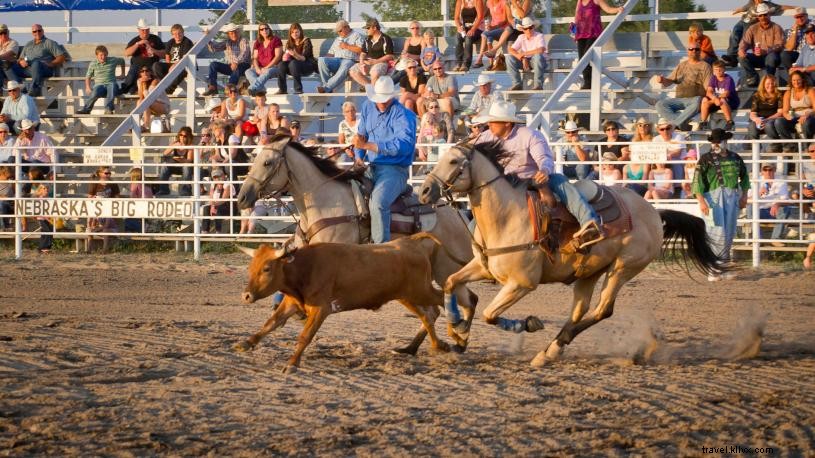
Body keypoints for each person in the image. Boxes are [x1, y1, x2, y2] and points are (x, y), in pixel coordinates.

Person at [473, 101, 605, 248]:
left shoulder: (530, 135)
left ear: (507, 123)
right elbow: (469, 152)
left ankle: (589, 222)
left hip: (531, 180)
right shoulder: (485, 137)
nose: (489, 124)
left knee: (559, 181)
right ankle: (471, 238)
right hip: (503, 185)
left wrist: (544, 170)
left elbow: (544, 159)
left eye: (493, 121)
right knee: (481, 213)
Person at [351, 77, 416, 243]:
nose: (381, 103)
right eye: (378, 99)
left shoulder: (403, 115)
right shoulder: (367, 107)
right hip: (371, 167)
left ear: (391, 98)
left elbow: (404, 146)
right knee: (345, 189)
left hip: (394, 171)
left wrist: (369, 146)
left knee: (378, 203)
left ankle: (381, 250)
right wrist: (359, 157)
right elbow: (361, 136)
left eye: (384, 100)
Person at [692, 129, 749, 279]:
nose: (716, 144)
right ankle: (713, 267)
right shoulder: (705, 159)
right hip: (713, 198)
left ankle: (723, 266)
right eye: (714, 141)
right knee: (715, 232)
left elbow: (744, 178)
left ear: (725, 142)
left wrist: (744, 196)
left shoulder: (736, 158)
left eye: (719, 141)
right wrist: (701, 201)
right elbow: (697, 181)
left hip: (732, 196)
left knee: (729, 232)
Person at [655, 42, 711, 131]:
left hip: (695, 100)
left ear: (700, 51)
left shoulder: (705, 66)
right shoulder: (682, 65)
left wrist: (707, 100)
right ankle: (681, 124)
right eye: (691, 49)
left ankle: (675, 124)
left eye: (697, 49)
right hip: (679, 99)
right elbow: (668, 82)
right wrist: (662, 80)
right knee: (660, 104)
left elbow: (708, 87)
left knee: (697, 101)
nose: (694, 51)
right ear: (687, 51)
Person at [722, 0, 792, 67]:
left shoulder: (768, 5)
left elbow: (781, 7)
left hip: (750, 24)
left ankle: (734, 58)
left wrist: (793, 7)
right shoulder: (751, 3)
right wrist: (737, 11)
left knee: (744, 39)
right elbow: (744, 8)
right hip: (743, 21)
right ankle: (731, 55)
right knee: (734, 35)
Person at [573, 0, 623, 89]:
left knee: (586, 56)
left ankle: (590, 83)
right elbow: (577, 16)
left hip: (593, 33)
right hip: (581, 33)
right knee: (582, 59)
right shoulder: (579, 1)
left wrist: (617, 9)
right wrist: (574, 31)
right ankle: (587, 81)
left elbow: (607, 9)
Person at [11, 24, 69, 97]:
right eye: (35, 31)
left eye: (39, 30)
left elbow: (62, 56)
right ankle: (22, 89)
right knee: (10, 67)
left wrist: (51, 63)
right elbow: (20, 58)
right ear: (32, 33)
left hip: (44, 69)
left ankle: (34, 91)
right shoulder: (29, 44)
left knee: (36, 62)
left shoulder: (49, 43)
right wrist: (21, 61)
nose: (37, 33)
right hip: (29, 69)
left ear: (43, 31)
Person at [737, 2, 784, 89]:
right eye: (761, 15)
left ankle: (769, 80)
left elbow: (780, 45)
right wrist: (741, 50)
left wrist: (767, 51)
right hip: (757, 57)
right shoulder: (752, 28)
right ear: (758, 17)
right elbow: (744, 42)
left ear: (769, 15)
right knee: (741, 57)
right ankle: (753, 77)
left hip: (771, 57)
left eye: (765, 15)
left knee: (771, 57)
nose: (763, 17)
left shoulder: (776, 27)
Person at [748, 162, 791, 246]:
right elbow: (748, 200)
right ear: (761, 171)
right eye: (765, 169)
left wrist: (777, 204)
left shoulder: (780, 182)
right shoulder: (755, 181)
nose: (768, 172)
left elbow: (786, 200)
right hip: (760, 211)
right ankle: (757, 239)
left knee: (785, 208)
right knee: (750, 207)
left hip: (774, 211)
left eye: (770, 170)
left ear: (774, 170)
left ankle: (775, 238)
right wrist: (759, 193)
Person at [317, 20, 364, 94]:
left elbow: (361, 50)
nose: (338, 33)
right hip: (336, 60)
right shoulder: (337, 39)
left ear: (347, 27)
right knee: (321, 60)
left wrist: (347, 46)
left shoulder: (357, 35)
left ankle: (326, 88)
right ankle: (326, 87)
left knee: (345, 65)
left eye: (340, 31)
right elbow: (331, 53)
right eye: (338, 32)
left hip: (350, 59)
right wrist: (324, 59)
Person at [120, 19, 165, 95]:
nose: (145, 32)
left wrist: (153, 50)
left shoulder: (155, 39)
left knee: (155, 69)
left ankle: (132, 91)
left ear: (149, 29)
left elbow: (164, 54)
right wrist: (137, 44)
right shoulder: (135, 40)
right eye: (143, 30)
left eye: (146, 30)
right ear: (139, 30)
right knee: (133, 71)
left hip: (151, 67)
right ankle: (125, 89)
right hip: (137, 68)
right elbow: (127, 53)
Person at [77, 45, 125, 115]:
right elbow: (88, 76)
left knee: (112, 88)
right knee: (94, 93)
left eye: (105, 55)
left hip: (111, 82)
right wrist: (87, 87)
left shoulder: (113, 60)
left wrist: (123, 73)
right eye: (101, 55)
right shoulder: (93, 63)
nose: (103, 57)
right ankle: (86, 110)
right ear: (97, 55)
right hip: (99, 85)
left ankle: (108, 109)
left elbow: (122, 61)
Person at [205, 23, 250, 96]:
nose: (234, 34)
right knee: (213, 65)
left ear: (238, 32)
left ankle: (230, 88)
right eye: (231, 33)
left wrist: (236, 62)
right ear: (228, 34)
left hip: (244, 66)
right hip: (232, 66)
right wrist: (208, 38)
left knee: (238, 67)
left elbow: (244, 53)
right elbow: (214, 48)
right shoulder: (227, 42)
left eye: (235, 32)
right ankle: (212, 87)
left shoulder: (243, 40)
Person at [349, 18, 395, 87]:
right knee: (353, 71)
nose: (366, 30)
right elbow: (363, 53)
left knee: (374, 72)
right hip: (368, 63)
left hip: (381, 63)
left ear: (374, 28)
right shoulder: (367, 39)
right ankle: (370, 88)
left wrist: (376, 61)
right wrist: (362, 63)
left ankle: (373, 93)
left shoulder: (385, 39)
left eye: (368, 28)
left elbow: (390, 56)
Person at [774, 70, 815, 146]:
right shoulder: (788, 93)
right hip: (794, 118)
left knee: (807, 123)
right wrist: (789, 117)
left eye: (798, 79)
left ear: (802, 79)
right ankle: (791, 145)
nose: (796, 82)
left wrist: (807, 115)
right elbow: (785, 112)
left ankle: (807, 146)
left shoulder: (810, 90)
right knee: (779, 122)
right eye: (794, 80)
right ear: (791, 81)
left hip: (809, 117)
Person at [85, 166, 121, 253]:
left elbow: (117, 196)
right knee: (90, 226)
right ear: (100, 174)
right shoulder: (95, 183)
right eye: (106, 173)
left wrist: (111, 201)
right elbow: (90, 197)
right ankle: (89, 248)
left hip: (107, 208)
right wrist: (96, 198)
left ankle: (104, 249)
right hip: (96, 208)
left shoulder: (112, 183)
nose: (108, 175)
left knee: (105, 228)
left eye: (109, 173)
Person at [506, 17, 547, 91]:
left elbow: (541, 50)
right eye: (526, 28)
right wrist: (522, 57)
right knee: (509, 58)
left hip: (537, 61)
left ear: (533, 27)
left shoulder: (539, 35)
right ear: (523, 30)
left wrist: (523, 54)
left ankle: (538, 85)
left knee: (537, 57)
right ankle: (517, 84)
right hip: (526, 61)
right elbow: (510, 49)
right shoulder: (521, 37)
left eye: (530, 27)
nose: (528, 30)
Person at [699, 60, 739, 131]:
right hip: (717, 101)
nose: (718, 71)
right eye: (716, 70)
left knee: (722, 100)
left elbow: (726, 93)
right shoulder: (713, 78)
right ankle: (703, 122)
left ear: (724, 69)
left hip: (730, 101)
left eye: (720, 70)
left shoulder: (728, 79)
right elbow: (709, 92)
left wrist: (716, 99)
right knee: (704, 100)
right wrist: (714, 99)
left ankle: (730, 122)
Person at [153, 24, 194, 94]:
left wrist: (174, 65)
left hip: (184, 66)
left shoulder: (187, 42)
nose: (177, 35)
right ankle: (164, 85)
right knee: (156, 65)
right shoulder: (170, 42)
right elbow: (167, 57)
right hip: (172, 65)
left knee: (178, 70)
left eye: (179, 33)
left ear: (183, 33)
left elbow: (184, 59)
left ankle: (168, 90)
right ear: (172, 34)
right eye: (175, 34)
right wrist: (169, 65)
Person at [277, 23, 317, 95]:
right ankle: (282, 89)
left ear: (300, 32)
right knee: (281, 64)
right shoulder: (289, 42)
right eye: (292, 32)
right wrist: (285, 57)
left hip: (307, 66)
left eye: (296, 32)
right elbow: (286, 59)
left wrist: (294, 54)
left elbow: (304, 58)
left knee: (293, 63)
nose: (294, 34)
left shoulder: (306, 41)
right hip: (294, 67)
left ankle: (298, 89)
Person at [244, 22, 282, 96]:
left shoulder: (276, 40)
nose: (264, 30)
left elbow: (278, 56)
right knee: (248, 71)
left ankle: (253, 88)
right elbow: (255, 58)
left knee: (267, 71)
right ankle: (261, 89)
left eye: (266, 28)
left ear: (269, 30)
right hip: (261, 68)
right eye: (262, 29)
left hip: (274, 68)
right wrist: (257, 68)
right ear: (259, 31)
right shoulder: (258, 42)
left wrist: (266, 67)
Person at [652, 117, 688, 197]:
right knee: (656, 166)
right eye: (662, 129)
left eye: (667, 128)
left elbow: (678, 153)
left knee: (675, 163)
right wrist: (665, 155)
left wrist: (667, 154)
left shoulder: (678, 136)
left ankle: (676, 191)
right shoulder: (656, 139)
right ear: (658, 130)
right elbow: (655, 153)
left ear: (671, 128)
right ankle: (661, 191)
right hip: (662, 161)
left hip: (678, 161)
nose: (665, 131)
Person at [748, 74, 784, 150]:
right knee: (751, 126)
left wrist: (767, 119)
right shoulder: (757, 95)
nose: (770, 85)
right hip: (760, 119)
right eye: (768, 84)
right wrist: (756, 119)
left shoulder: (779, 94)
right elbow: (752, 113)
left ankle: (776, 146)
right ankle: (756, 149)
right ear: (763, 85)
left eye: (772, 83)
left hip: (773, 119)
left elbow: (780, 112)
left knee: (768, 124)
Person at [157, 127, 194, 196]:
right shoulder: (175, 143)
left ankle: (186, 191)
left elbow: (189, 160)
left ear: (188, 136)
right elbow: (165, 153)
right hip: (176, 166)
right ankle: (163, 190)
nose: (182, 137)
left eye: (185, 136)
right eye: (181, 135)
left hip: (185, 167)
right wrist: (173, 146)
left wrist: (180, 160)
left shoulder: (190, 146)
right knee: (164, 166)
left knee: (186, 167)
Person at [473, 0, 510, 69]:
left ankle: (480, 59)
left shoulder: (503, 2)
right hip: (493, 28)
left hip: (503, 28)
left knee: (484, 34)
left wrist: (493, 27)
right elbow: (483, 14)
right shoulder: (489, 2)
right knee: (488, 40)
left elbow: (505, 20)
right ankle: (491, 63)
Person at [453, 0, 485, 72]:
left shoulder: (478, 1)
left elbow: (480, 17)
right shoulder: (460, 1)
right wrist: (459, 27)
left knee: (468, 37)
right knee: (457, 37)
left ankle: (466, 64)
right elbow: (456, 18)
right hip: (465, 27)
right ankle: (458, 63)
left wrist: (473, 29)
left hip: (477, 27)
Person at [200, 168, 234, 234]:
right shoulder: (214, 184)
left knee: (219, 209)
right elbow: (211, 197)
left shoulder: (228, 184)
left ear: (224, 176)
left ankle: (218, 230)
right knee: (206, 208)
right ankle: (205, 230)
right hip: (216, 205)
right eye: (215, 177)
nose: (217, 179)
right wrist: (212, 206)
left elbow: (224, 200)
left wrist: (214, 205)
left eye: (219, 176)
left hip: (228, 207)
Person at [136, 66, 170, 132]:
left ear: (150, 72)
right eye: (142, 71)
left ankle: (146, 126)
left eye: (147, 70)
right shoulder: (139, 80)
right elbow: (141, 97)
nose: (144, 72)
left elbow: (149, 97)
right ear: (140, 73)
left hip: (163, 105)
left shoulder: (155, 81)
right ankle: (135, 123)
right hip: (150, 105)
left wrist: (144, 86)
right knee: (139, 101)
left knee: (146, 102)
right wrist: (141, 84)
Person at [781, 7, 813, 77]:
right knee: (784, 55)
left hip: (810, 53)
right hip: (798, 55)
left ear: (806, 16)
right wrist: (795, 31)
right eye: (797, 17)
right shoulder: (792, 29)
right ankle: (794, 77)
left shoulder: (812, 25)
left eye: (801, 16)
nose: (800, 19)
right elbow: (789, 48)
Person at [124, 167, 153, 233]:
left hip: (139, 211)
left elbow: (132, 200)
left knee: (127, 220)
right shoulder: (147, 185)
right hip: (148, 210)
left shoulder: (135, 184)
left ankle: (132, 234)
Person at [0, 24, 19, 91]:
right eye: (1, 33)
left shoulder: (13, 43)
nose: (3, 35)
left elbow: (8, 54)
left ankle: (18, 87)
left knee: (4, 63)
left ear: (8, 32)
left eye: (4, 32)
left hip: (10, 66)